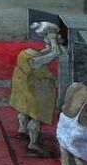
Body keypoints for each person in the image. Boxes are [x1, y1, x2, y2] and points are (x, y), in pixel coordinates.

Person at [9, 21, 64, 156]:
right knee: (36, 117)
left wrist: (49, 43)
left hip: (23, 88)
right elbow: (55, 53)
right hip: (34, 90)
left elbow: (43, 53)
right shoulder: (34, 61)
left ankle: (22, 130)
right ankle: (33, 144)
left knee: (24, 111)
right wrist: (52, 39)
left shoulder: (25, 54)